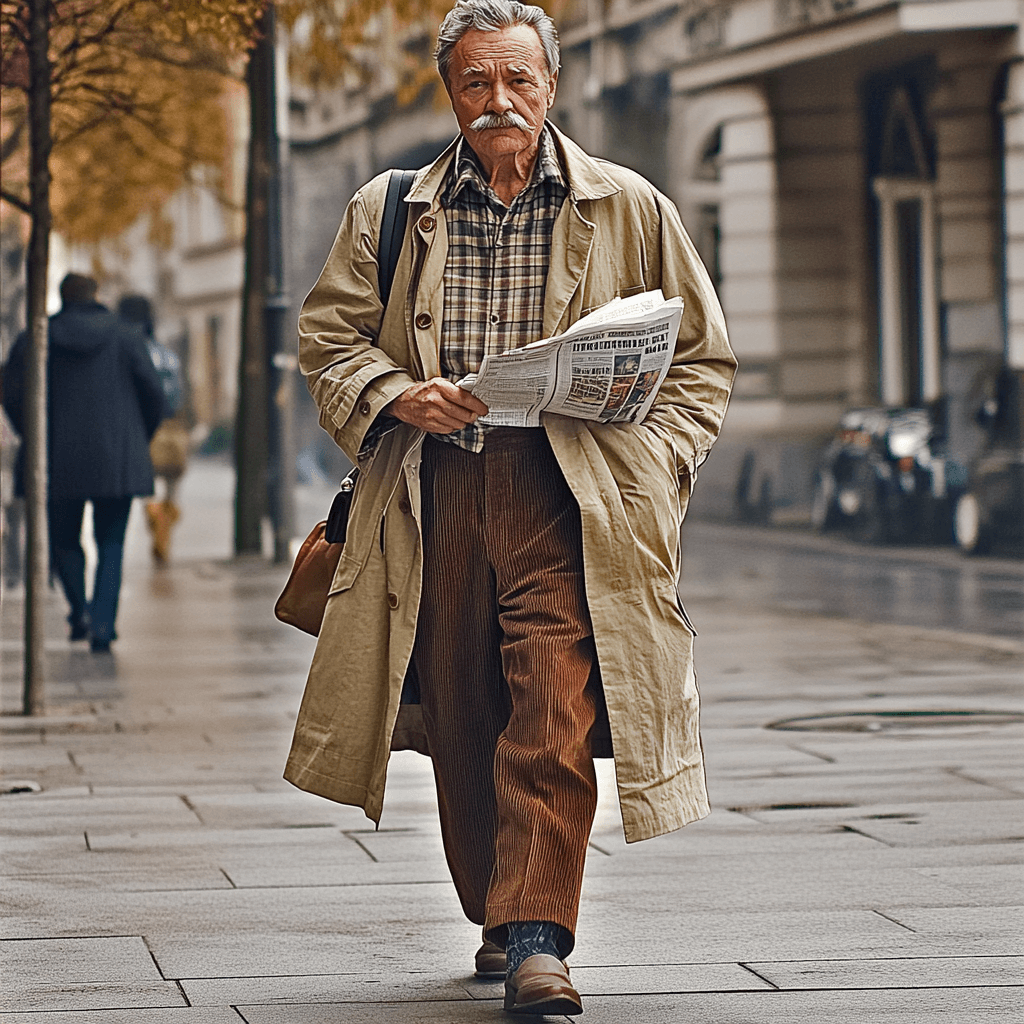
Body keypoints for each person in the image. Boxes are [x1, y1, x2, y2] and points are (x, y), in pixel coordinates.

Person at [284, 0, 736, 1014]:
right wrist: (400, 394)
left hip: (568, 496)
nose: (500, 102)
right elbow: (328, 339)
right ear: (449, 91)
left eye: (518, 81)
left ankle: (539, 940)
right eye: (477, 83)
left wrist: (655, 463)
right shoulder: (390, 207)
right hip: (436, 492)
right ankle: (499, 905)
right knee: (462, 712)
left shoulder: (629, 206)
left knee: (551, 702)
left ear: (551, 84)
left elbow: (702, 364)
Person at [2, 273, 166, 652]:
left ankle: (80, 612)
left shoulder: (35, 339)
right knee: (111, 542)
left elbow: (11, 394)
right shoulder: (126, 337)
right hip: (118, 460)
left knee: (63, 542)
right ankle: (103, 626)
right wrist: (137, 437)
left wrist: (33, 434)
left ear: (62, 297)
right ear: (95, 295)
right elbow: (155, 395)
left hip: (55, 458)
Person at [118, 295, 191, 564]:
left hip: (138, 427)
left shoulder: (125, 351)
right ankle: (164, 530)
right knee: (171, 483)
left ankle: (154, 517)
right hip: (169, 427)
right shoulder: (166, 355)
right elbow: (178, 394)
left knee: (145, 489)